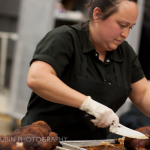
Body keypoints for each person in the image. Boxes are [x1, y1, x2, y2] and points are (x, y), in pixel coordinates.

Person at [21, 0, 150, 140]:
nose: (125, 34)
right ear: (97, 15)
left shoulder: (125, 53)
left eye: (130, 28)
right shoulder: (65, 39)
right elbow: (37, 78)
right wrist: (89, 104)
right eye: (122, 25)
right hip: (43, 141)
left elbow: (143, 94)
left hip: (91, 144)